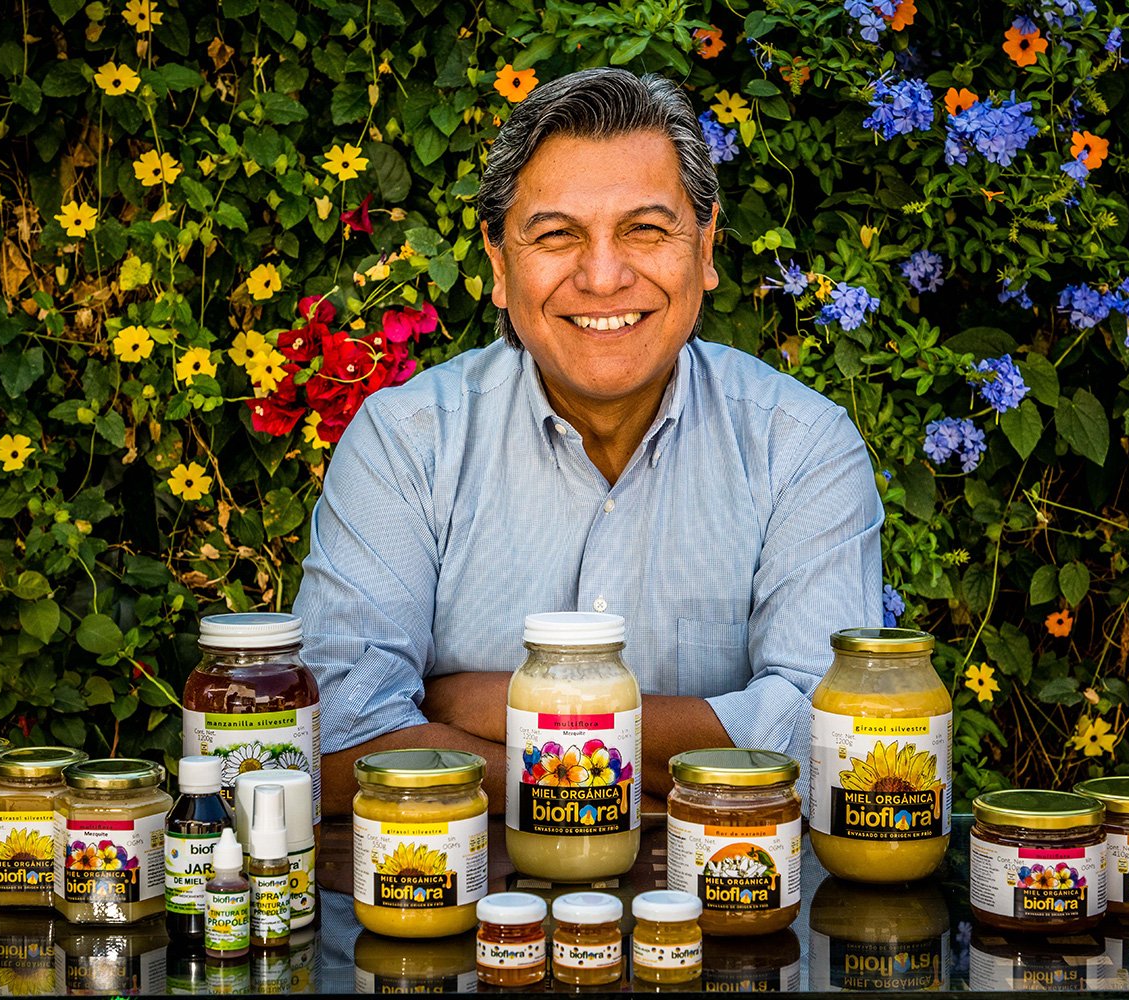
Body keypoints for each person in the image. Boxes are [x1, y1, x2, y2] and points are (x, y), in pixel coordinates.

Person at [293, 68, 883, 816]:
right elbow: (342, 740)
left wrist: (496, 703)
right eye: (557, 235)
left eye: (646, 230)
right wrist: (670, 780)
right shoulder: (406, 445)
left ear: (706, 246)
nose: (603, 278)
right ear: (500, 263)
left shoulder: (802, 449)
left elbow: (833, 744)